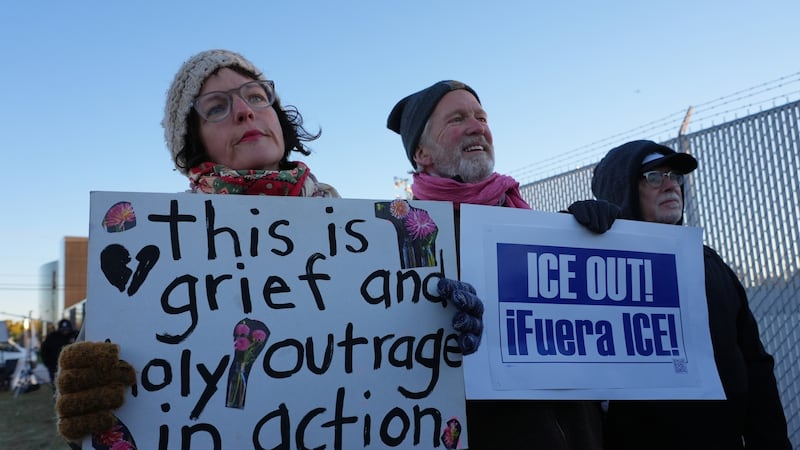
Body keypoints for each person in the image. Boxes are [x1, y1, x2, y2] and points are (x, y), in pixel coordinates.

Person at [387, 80, 613, 449]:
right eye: (457, 119)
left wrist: (591, 244)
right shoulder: (408, 243)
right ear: (422, 153)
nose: (478, 127)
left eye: (481, 117)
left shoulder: (532, 222)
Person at [591, 139, 792, 450]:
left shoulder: (710, 264)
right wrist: (571, 230)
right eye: (654, 177)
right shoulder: (596, 270)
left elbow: (755, 365)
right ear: (623, 191)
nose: (671, 185)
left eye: (675, 176)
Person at [40, 319, 77, 389]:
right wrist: (48, 364)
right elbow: (44, 350)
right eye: (63, 329)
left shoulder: (76, 335)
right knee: (57, 388)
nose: (65, 330)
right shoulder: (52, 337)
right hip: (55, 368)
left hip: (72, 368)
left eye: (67, 328)